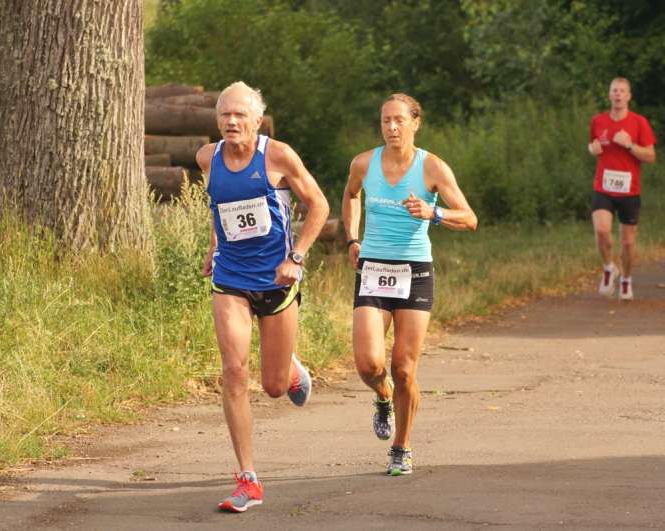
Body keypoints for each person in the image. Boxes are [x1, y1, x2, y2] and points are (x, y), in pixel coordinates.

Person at [196, 81, 329, 511]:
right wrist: (215, 245)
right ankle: (248, 480)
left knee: (272, 387)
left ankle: (288, 367)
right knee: (234, 371)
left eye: (240, 115)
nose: (231, 122)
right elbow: (220, 208)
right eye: (224, 116)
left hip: (276, 280)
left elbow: (319, 206)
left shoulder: (278, 155)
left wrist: (297, 256)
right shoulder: (207, 159)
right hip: (231, 278)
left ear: (257, 120)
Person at [342, 93, 477, 476]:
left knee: (403, 367)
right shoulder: (364, 163)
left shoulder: (432, 167)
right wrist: (353, 238)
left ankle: (401, 445)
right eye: (386, 121)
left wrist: (434, 212)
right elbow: (351, 195)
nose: (392, 128)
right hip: (372, 267)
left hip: (415, 271)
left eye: (399, 120)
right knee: (369, 365)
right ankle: (383, 397)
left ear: (416, 123)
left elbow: (470, 218)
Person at [588, 77, 657, 301]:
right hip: (604, 186)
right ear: (609, 95)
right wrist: (593, 149)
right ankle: (609, 268)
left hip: (629, 190)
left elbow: (651, 156)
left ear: (629, 96)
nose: (618, 94)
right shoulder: (597, 121)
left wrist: (630, 145)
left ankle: (626, 279)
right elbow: (593, 145)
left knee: (628, 243)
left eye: (622, 91)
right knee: (602, 232)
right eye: (614, 90)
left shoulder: (639, 123)